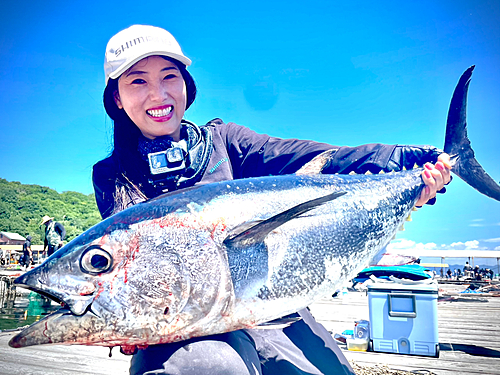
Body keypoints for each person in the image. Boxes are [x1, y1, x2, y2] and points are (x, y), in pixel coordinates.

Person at [93, 25, 452, 375]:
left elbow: (318, 161)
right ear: (117, 98)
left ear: (187, 85)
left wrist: (405, 161)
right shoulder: (112, 175)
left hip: (273, 308)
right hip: (186, 326)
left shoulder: (226, 141)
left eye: (169, 76)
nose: (158, 94)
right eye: (137, 80)